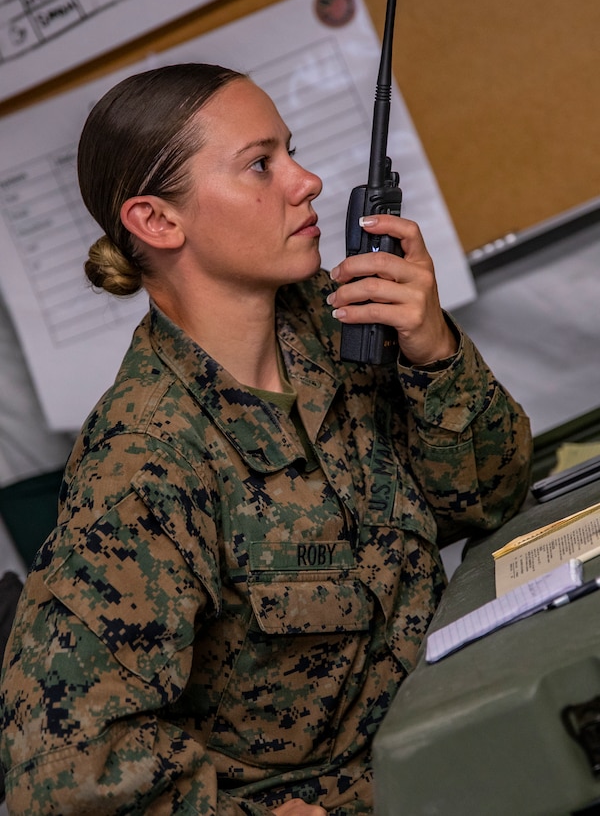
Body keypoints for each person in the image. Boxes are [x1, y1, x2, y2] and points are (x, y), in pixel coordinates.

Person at [0, 63, 532, 815]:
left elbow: (490, 499)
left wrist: (434, 349)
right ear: (157, 222)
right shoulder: (145, 463)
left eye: (292, 150)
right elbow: (60, 782)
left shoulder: (338, 320)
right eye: (261, 164)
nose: (307, 181)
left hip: (465, 732)